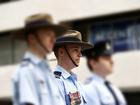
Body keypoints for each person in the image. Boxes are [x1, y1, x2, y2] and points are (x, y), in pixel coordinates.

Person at [11, 13, 67, 105]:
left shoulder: (47, 71)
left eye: (54, 36)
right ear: (32, 38)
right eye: (49, 35)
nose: (53, 40)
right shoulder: (26, 71)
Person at [53, 30, 93, 105]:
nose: (80, 54)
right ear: (61, 52)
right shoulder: (55, 82)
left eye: (80, 50)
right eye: (75, 50)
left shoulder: (77, 83)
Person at [82, 40, 127, 105]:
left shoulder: (113, 87)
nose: (112, 62)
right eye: (106, 58)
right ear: (93, 63)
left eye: (110, 58)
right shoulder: (89, 88)